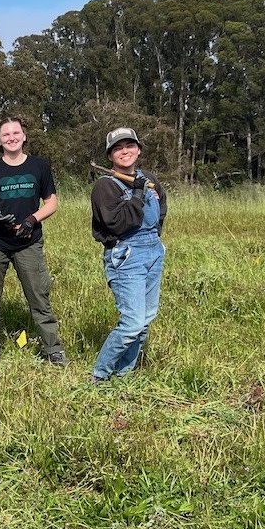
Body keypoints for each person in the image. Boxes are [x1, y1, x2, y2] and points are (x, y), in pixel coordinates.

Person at [0, 115, 66, 365]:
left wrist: (32, 220)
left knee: (39, 298)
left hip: (29, 242)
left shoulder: (39, 167)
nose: (11, 138)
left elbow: (52, 202)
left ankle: (52, 349)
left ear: (24, 136)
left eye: (16, 133)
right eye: (5, 135)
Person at [90, 127, 167, 383]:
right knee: (132, 323)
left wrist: (155, 237)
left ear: (139, 149)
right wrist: (135, 193)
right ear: (111, 155)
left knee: (145, 321)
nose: (125, 151)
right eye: (118, 148)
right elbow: (118, 224)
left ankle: (124, 374)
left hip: (153, 251)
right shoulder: (105, 186)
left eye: (129, 146)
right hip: (127, 253)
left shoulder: (149, 178)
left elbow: (161, 207)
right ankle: (100, 376)